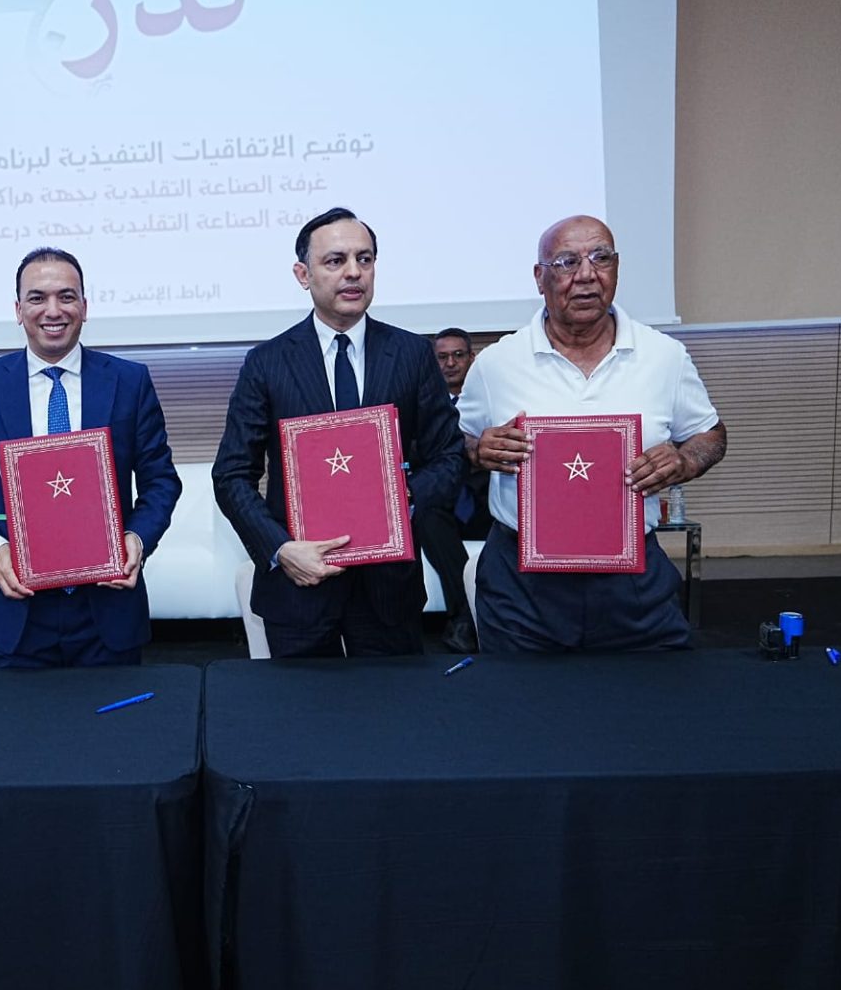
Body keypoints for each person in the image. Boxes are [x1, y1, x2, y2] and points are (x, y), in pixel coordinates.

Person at [456, 215, 727, 652]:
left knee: (655, 691)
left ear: (616, 269)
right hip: (522, 585)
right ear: (539, 277)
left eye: (601, 258)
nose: (586, 274)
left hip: (632, 581)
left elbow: (710, 434)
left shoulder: (664, 356)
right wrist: (477, 449)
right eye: (567, 262)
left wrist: (684, 459)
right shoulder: (496, 364)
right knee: (517, 694)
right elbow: (457, 442)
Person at [213, 208, 465, 658]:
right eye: (335, 261)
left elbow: (448, 456)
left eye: (364, 259)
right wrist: (281, 549)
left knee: (393, 704)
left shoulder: (411, 353)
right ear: (303, 274)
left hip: (389, 590)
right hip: (299, 588)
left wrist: (401, 500)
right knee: (304, 706)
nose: (353, 272)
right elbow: (231, 475)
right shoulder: (267, 362)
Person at [0, 248, 182, 668]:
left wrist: (137, 539)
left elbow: (160, 481)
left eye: (66, 297)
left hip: (106, 606)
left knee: (114, 714)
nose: (53, 310)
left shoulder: (129, 380)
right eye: (37, 298)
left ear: (84, 306)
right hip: (17, 608)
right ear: (18, 310)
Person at [414, 327, 493, 652]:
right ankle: (466, 614)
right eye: (442, 357)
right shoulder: (421, 405)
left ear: (471, 358)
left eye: (458, 355)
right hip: (443, 502)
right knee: (427, 516)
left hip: (485, 497)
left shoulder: (491, 398)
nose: (450, 363)